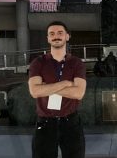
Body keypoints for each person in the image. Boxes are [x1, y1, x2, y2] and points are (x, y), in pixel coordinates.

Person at [28, 21, 86, 158]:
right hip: (45, 123)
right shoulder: (38, 62)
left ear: (67, 36)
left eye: (60, 33)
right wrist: (66, 83)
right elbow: (34, 92)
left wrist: (45, 86)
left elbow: (79, 93)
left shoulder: (76, 63)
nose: (56, 36)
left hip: (70, 123)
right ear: (48, 38)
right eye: (52, 34)